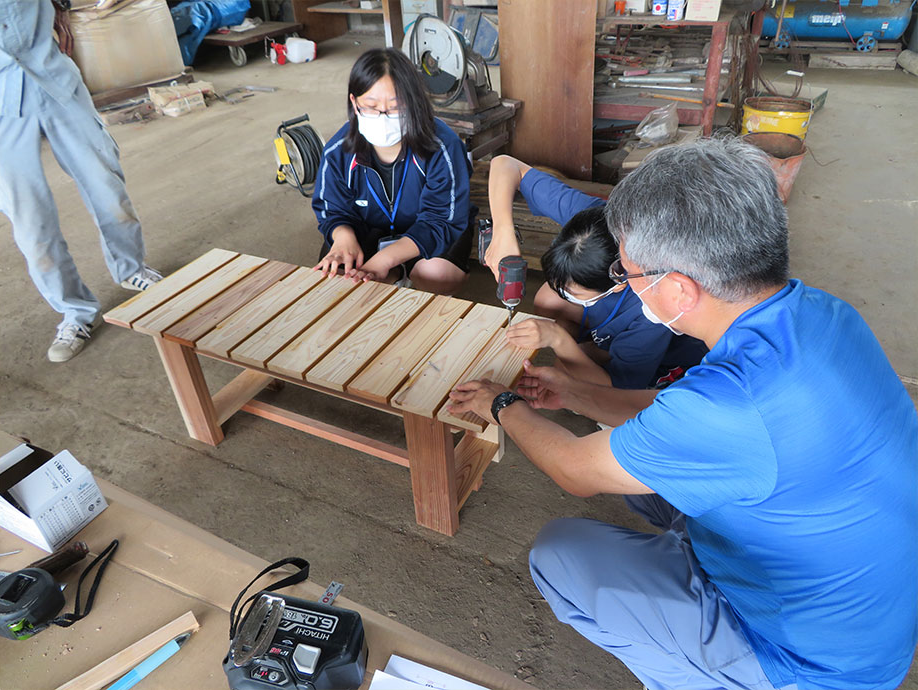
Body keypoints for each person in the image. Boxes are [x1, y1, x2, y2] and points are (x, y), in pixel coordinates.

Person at [448, 138, 918, 690]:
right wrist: (575, 394)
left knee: (560, 554)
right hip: (865, 606)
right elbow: (674, 409)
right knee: (644, 484)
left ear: (677, 289)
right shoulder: (819, 311)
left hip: (810, 664)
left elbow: (575, 470)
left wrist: (502, 405)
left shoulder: (730, 407)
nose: (628, 289)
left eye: (631, 274)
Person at [0, 0, 162, 363]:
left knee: (106, 185)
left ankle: (131, 269)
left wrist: (61, 5)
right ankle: (74, 311)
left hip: (51, 75)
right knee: (30, 221)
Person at [487, 155, 705, 389]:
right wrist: (503, 233)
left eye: (573, 292)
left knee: (570, 380)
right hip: (620, 312)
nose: (565, 295)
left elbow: (619, 390)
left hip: (670, 359)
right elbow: (505, 164)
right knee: (548, 301)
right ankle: (599, 348)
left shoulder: (654, 308)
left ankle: (605, 351)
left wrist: (558, 340)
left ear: (619, 282)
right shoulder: (593, 223)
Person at [312, 48, 474, 295]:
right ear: (355, 103)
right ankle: (394, 275)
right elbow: (332, 209)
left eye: (396, 107)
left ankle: (414, 278)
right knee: (338, 273)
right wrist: (344, 238)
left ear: (414, 103)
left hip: (431, 234)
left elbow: (441, 220)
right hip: (368, 231)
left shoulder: (442, 146)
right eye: (371, 105)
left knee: (434, 274)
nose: (382, 116)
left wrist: (384, 260)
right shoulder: (338, 151)